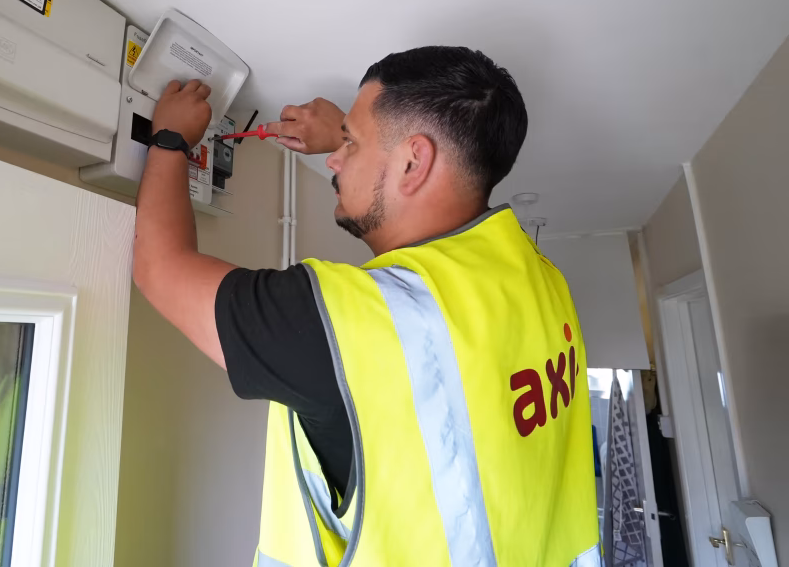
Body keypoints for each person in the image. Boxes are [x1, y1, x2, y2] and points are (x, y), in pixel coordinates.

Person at [133, 46, 600, 567]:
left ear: (413, 162)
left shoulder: (350, 322)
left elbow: (161, 267)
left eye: (349, 143)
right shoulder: (540, 279)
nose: (334, 159)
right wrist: (356, 141)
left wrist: (170, 139)